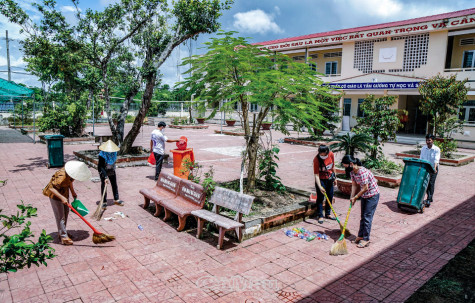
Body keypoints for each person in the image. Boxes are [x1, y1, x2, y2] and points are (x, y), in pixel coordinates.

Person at [43, 160, 91, 245]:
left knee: (66, 213)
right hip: (56, 196)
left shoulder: (71, 174)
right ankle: (63, 237)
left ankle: (62, 232)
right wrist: (62, 198)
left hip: (64, 193)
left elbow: (70, 182)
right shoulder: (61, 176)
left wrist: (72, 192)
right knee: (60, 216)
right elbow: (51, 188)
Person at [341, 155, 380, 248]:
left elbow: (365, 188)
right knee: (363, 216)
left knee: (367, 217)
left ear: (351, 164)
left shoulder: (362, 172)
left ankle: (366, 239)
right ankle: (360, 235)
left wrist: (356, 197)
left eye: (346, 166)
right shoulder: (352, 172)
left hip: (373, 195)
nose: (345, 168)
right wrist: (352, 198)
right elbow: (354, 185)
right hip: (364, 196)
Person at [313, 145, 337, 224]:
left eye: (325, 155)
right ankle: (320, 215)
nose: (323, 156)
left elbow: (333, 166)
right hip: (321, 180)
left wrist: (335, 178)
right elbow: (316, 175)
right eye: (321, 155)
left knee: (330, 196)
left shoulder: (331, 154)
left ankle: (328, 213)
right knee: (320, 197)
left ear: (327, 153)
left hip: (329, 178)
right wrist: (320, 187)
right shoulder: (316, 160)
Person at [98, 140, 123, 208]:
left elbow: (113, 162)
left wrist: (112, 167)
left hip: (111, 168)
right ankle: (104, 201)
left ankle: (116, 199)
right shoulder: (102, 155)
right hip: (103, 169)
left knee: (114, 183)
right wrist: (105, 177)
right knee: (104, 185)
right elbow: (101, 166)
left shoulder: (114, 153)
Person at [419, 134, 440, 208]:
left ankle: (429, 198)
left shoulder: (436, 149)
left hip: (433, 168)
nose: (427, 142)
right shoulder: (423, 148)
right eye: (426, 140)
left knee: (431, 183)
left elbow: (436, 160)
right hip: (425, 167)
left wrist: (434, 169)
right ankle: (426, 197)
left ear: (433, 140)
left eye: (429, 140)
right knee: (425, 182)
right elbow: (421, 158)